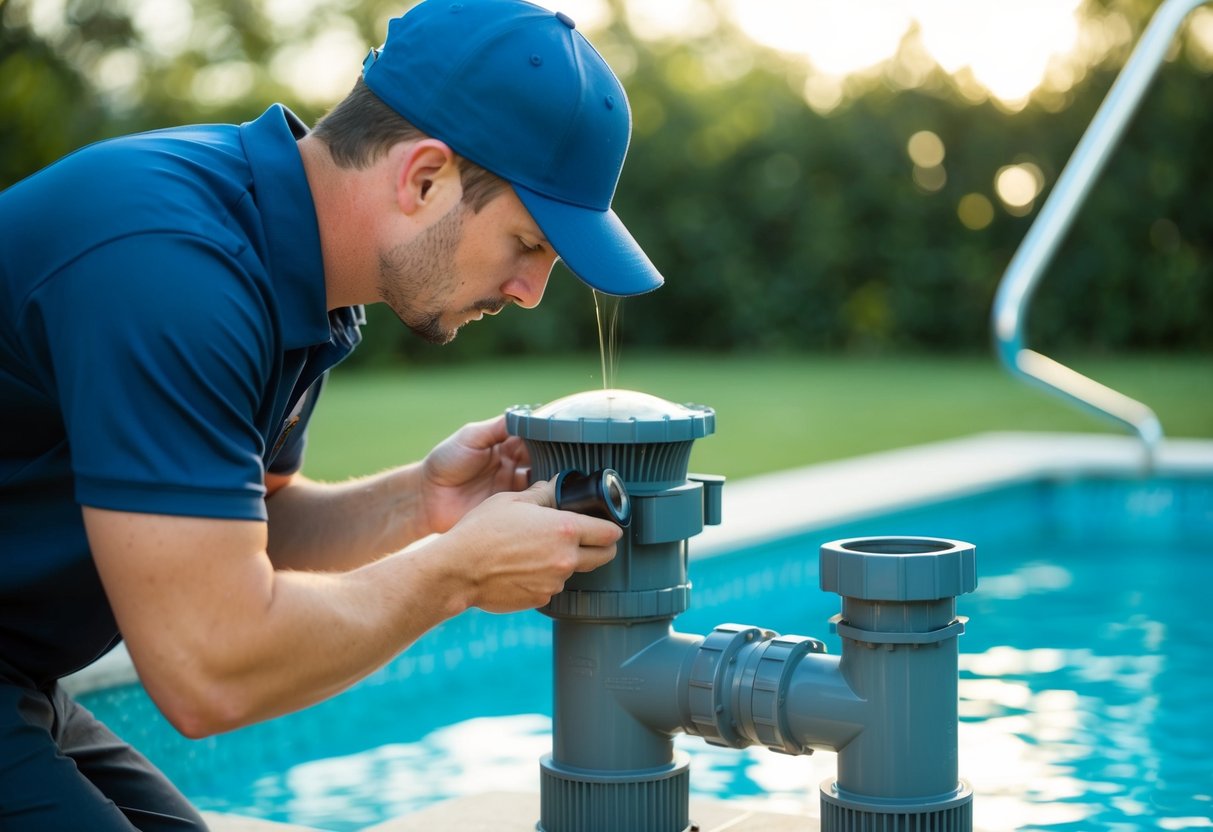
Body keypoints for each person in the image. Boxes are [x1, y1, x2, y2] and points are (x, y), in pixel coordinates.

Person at [0, 0, 664, 828]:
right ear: (423, 177)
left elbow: (251, 524)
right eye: (529, 245)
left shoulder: (285, 272)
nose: (530, 293)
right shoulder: (176, 271)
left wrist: (422, 503)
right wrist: (455, 572)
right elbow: (212, 667)